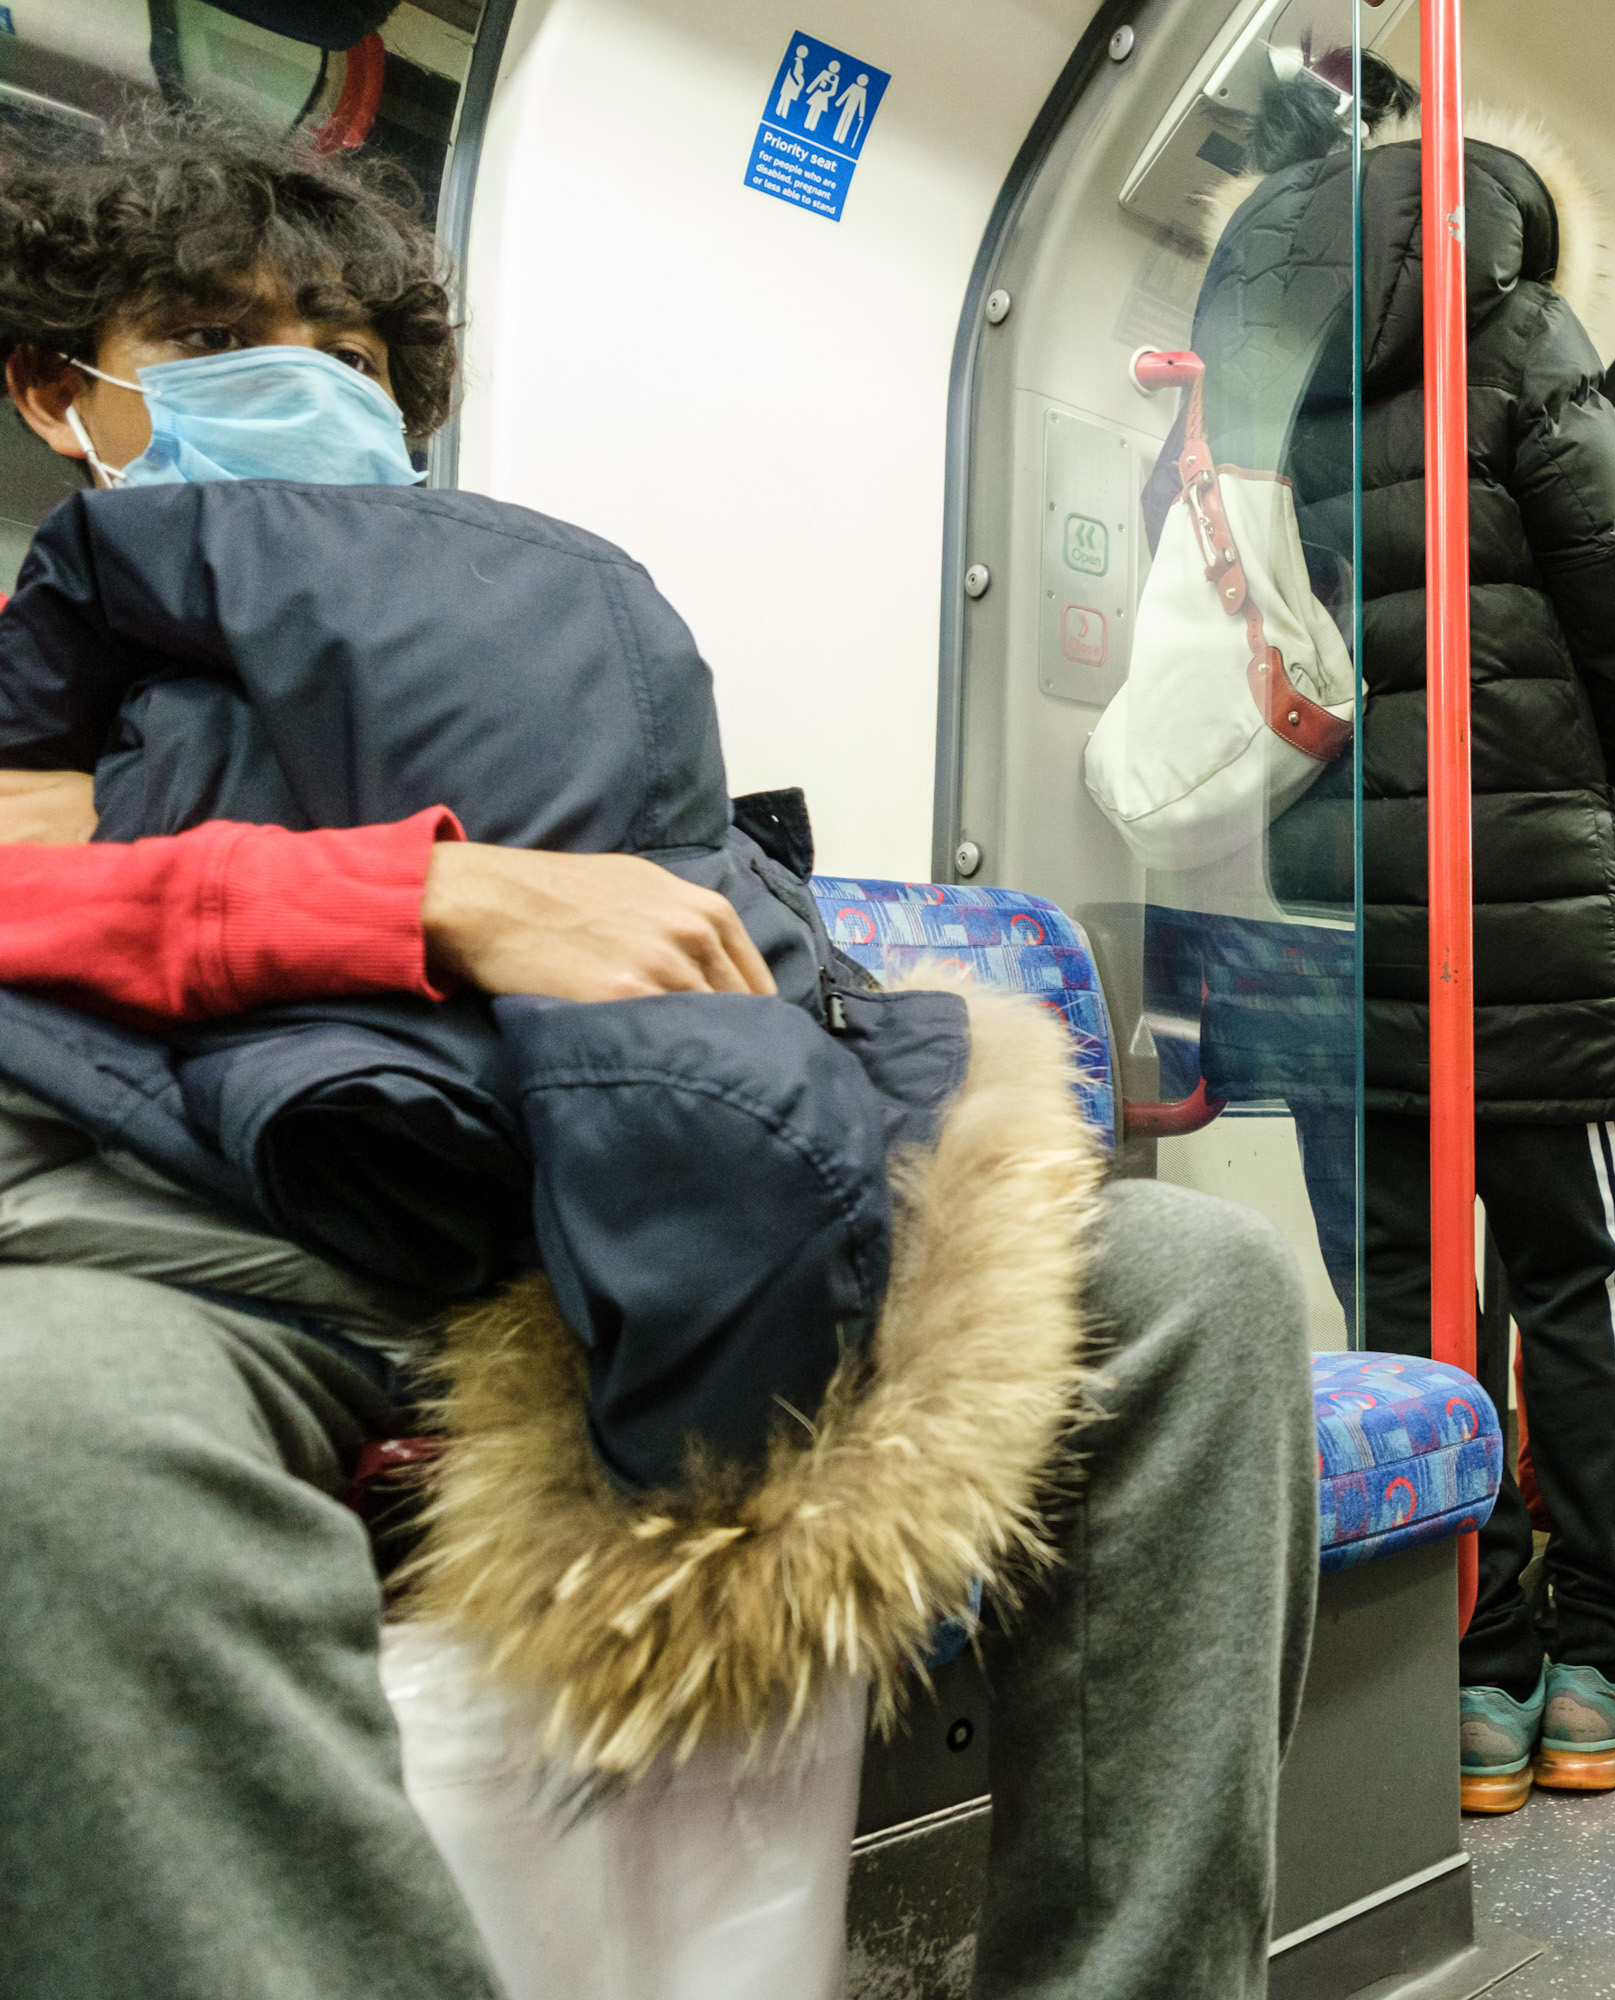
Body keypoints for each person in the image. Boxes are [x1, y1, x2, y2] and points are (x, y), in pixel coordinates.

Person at [0, 119, 1315, 2000]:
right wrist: (429, 902)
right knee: (46, 1423)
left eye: (353, 364)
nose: (306, 393)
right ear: (68, 395)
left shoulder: (483, 630)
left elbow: (704, 918)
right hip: (242, 1232)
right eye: (217, 341)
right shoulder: (34, 662)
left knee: (1202, 1287)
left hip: (604, 1188)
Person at [1179, 72, 1615, 1814]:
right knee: (1579, 1263)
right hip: (1533, 889)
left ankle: (1459, 1680)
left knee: (1405, 1296)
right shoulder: (1513, 329)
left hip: (1332, 912)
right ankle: (1606, 1659)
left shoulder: (1255, 366)